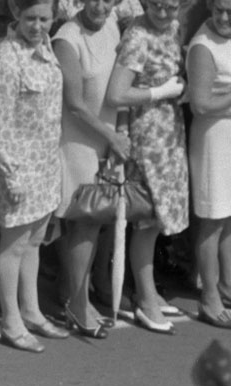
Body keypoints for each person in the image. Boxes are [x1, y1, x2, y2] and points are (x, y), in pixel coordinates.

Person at [0, 0, 69, 353]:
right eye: (30, 18)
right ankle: (11, 319)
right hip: (16, 168)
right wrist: (10, 174)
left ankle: (31, 311)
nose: (37, 26)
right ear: (16, 14)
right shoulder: (6, 59)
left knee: (34, 241)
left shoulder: (46, 49)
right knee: (14, 245)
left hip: (47, 162)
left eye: (44, 18)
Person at [106, 0, 189, 334]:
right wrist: (159, 91)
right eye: (157, 6)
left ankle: (149, 287)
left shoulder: (173, 27)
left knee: (159, 217)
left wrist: (178, 89)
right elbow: (116, 94)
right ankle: (145, 298)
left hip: (170, 130)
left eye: (171, 7)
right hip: (146, 134)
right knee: (147, 218)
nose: (165, 14)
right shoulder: (137, 35)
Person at [52, 0, 127, 337]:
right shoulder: (67, 37)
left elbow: (120, 88)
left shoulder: (113, 25)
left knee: (94, 224)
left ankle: (75, 296)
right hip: (77, 141)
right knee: (83, 223)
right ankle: (78, 306)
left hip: (107, 139)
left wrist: (119, 135)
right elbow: (75, 105)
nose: (100, 5)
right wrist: (111, 137)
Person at [186, 0, 231, 329]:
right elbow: (201, 104)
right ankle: (209, 298)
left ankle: (227, 288)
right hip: (213, 140)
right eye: (218, 10)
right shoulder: (203, 46)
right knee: (212, 220)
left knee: (228, 218)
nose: (224, 17)